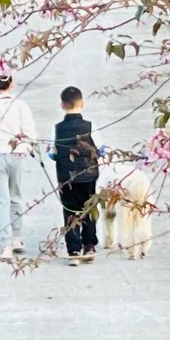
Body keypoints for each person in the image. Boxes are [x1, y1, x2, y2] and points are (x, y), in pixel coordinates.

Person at [0, 72, 42, 256]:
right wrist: (25, 148)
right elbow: (30, 133)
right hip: (16, 154)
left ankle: (5, 244)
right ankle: (16, 237)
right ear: (11, 84)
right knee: (15, 196)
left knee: (0, 201)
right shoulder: (20, 105)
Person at [53, 86, 100, 264]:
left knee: (70, 210)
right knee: (89, 208)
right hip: (88, 175)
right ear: (82, 103)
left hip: (66, 178)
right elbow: (100, 148)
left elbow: (52, 152)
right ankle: (89, 245)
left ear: (62, 105)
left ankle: (73, 250)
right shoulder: (91, 126)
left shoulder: (57, 128)